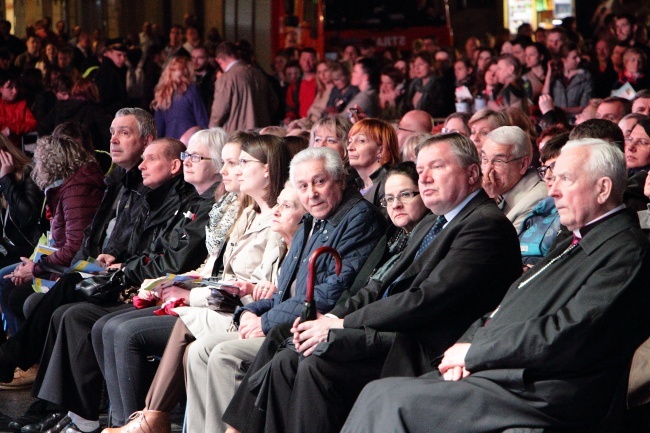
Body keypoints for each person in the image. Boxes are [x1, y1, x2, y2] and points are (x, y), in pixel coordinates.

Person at [342, 138, 650, 433]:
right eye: (551, 178)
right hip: (509, 369)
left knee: (391, 401)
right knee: (379, 394)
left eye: (564, 179)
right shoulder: (576, 237)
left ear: (603, 188)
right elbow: (510, 301)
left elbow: (569, 331)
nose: (553, 191)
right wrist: (464, 347)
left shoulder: (625, 250)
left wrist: (476, 353)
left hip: (546, 389)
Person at [223, 133, 522, 433]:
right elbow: (378, 285)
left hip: (421, 345)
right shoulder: (434, 221)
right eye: (420, 171)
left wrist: (341, 325)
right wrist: (331, 318)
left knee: (314, 361)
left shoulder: (485, 225)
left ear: (472, 173)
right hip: (391, 330)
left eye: (437, 167)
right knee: (285, 345)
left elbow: (425, 299)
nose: (426, 178)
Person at [183, 147, 386, 433]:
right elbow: (282, 292)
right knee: (199, 350)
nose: (311, 193)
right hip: (287, 323)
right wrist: (248, 312)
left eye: (319, 182)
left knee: (223, 355)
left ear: (339, 180)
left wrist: (264, 321)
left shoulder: (357, 218)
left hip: (315, 328)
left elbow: (328, 296)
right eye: (303, 186)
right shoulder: (311, 221)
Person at [23, 137, 209, 433]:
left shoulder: (187, 201)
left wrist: (127, 267)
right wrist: (119, 258)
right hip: (138, 279)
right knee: (68, 311)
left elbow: (173, 260)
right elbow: (137, 245)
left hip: (158, 289)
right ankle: (78, 416)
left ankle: (121, 421)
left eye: (150, 159)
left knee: (92, 317)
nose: (142, 166)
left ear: (173, 166)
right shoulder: (145, 193)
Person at [93, 128, 238, 427]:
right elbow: (191, 262)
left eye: (196, 156)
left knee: (120, 330)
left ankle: (140, 422)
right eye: (187, 155)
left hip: (215, 304)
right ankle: (124, 421)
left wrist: (170, 283)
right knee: (104, 326)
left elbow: (189, 262)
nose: (187, 161)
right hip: (185, 289)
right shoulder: (204, 202)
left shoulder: (220, 206)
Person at [0, 134, 105, 338]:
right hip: (45, 257)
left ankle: (25, 359)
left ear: (52, 162)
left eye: (39, 161)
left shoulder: (76, 190)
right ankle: (22, 358)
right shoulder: (66, 189)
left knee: (14, 291)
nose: (37, 166)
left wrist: (37, 267)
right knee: (7, 284)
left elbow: (73, 245)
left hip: (65, 265)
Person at [481, 126, 548, 232]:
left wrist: (489, 202)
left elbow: (497, 245)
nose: (487, 170)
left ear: (523, 164)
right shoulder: (501, 190)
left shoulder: (538, 199)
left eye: (499, 161)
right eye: (484, 159)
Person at [209, 41, 276, 133]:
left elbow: (219, 111)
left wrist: (211, 131)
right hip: (262, 133)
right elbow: (274, 103)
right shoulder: (258, 73)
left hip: (237, 134)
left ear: (218, 60)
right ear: (236, 54)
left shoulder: (226, 79)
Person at [346, 118, 400, 213]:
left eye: (361, 141)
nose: (349, 147)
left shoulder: (388, 185)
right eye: (350, 141)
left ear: (381, 150)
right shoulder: (355, 186)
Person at [152, 55, 208, 140]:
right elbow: (202, 119)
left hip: (171, 143)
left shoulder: (162, 94)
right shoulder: (192, 90)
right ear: (187, 71)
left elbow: (158, 128)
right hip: (190, 143)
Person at [544, 42, 593, 117]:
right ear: (564, 60)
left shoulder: (585, 77)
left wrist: (561, 110)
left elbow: (584, 105)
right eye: (574, 58)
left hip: (575, 119)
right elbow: (545, 96)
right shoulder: (557, 77)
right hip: (556, 119)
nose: (579, 60)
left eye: (579, 56)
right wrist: (549, 74)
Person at [404, 51, 453, 118]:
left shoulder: (440, 86)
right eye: (415, 65)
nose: (417, 68)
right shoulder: (412, 85)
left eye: (420, 64)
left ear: (431, 65)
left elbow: (439, 110)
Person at [0, 72, 37, 145]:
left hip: (17, 148)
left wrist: (11, 129)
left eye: (16, 87)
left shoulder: (22, 104)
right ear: (0, 89)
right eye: (10, 87)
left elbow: (33, 124)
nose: (15, 91)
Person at [94, 41, 128, 115]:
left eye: (124, 55)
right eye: (119, 55)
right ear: (108, 53)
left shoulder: (118, 70)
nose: (122, 58)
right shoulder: (106, 72)